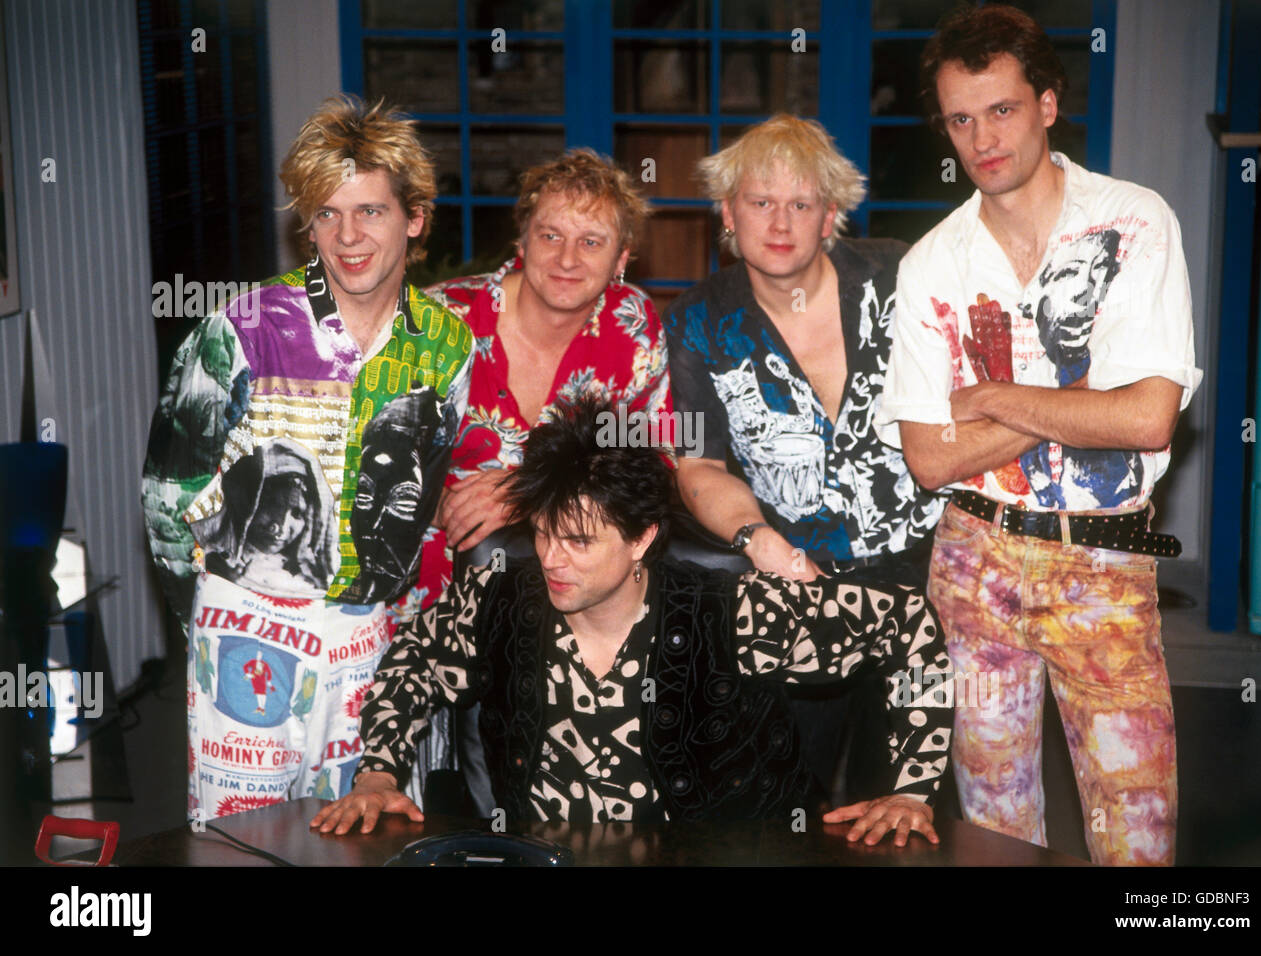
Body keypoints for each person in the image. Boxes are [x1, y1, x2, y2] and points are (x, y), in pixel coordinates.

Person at [310, 396, 953, 843]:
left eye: (580, 542)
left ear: (643, 538)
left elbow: (908, 624)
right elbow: (415, 660)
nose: (551, 560)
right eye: (541, 533)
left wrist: (911, 790)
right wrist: (378, 772)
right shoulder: (495, 600)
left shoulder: (736, 613)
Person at [874, 4, 1202, 866]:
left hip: (1103, 561)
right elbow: (930, 457)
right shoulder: (930, 266)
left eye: (1003, 109)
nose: (982, 137)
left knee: (1138, 836)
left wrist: (991, 396)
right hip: (973, 564)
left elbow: (1144, 418)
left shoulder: (1132, 223)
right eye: (960, 118)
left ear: (1048, 104)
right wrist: (1076, 394)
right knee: (994, 832)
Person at [142, 95, 473, 821]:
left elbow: (427, 496)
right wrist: (204, 619)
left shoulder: (447, 345)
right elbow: (167, 500)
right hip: (247, 627)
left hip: (369, 637)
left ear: (414, 218)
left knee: (366, 831)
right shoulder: (241, 328)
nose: (348, 236)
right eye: (327, 213)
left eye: (371, 212)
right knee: (243, 840)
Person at [660, 114, 944, 798]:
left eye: (801, 203)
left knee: (909, 801)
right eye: (760, 202)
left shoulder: (900, 277)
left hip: (932, 583)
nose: (779, 221)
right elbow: (700, 464)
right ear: (728, 213)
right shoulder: (697, 321)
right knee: (789, 797)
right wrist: (760, 543)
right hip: (796, 585)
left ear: (831, 216)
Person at [404, 149, 672, 812]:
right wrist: (437, 500)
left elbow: (652, 470)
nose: (567, 258)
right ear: (521, 238)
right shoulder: (441, 320)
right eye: (549, 234)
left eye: (592, 242)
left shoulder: (632, 328)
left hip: (558, 606)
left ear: (622, 259)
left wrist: (525, 489)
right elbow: (373, 469)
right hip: (420, 589)